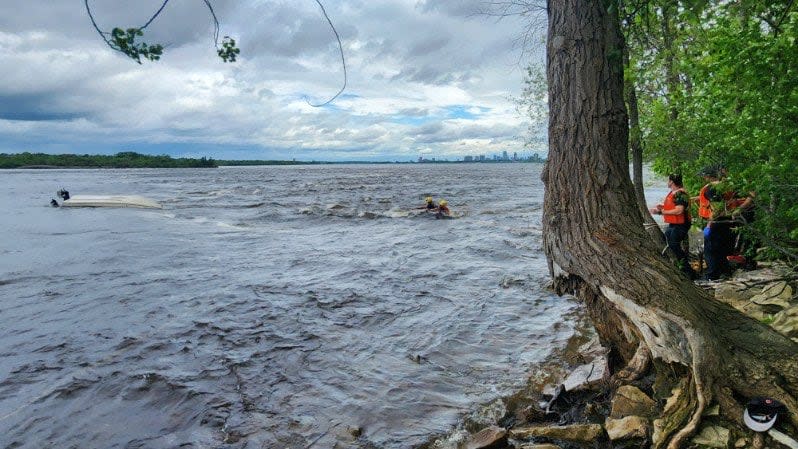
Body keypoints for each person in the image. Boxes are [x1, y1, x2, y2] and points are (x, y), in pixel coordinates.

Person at [650, 173, 696, 279]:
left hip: (681, 225)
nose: (667, 182)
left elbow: (679, 210)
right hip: (674, 224)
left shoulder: (680, 194)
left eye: (668, 180)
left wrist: (660, 212)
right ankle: (679, 267)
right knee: (666, 241)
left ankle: (688, 271)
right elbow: (675, 205)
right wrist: (662, 206)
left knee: (674, 246)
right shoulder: (674, 193)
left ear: (671, 182)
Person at [696, 165, 737, 280]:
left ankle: (711, 275)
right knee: (723, 247)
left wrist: (709, 223)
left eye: (704, 176)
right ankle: (725, 271)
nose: (703, 178)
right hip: (728, 220)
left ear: (708, 176)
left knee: (711, 250)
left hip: (716, 221)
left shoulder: (711, 189)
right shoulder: (725, 186)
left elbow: (717, 207)